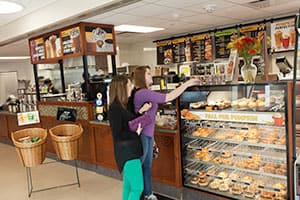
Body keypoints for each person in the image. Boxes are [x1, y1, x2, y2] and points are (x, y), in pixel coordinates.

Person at [133, 66, 200, 200]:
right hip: (141, 136)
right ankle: (136, 195)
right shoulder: (142, 93)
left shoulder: (145, 92)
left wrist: (152, 138)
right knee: (139, 168)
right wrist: (187, 84)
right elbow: (168, 97)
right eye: (148, 73)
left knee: (146, 167)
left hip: (147, 135)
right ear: (141, 77)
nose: (151, 75)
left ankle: (148, 194)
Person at [108, 75, 151, 200]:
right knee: (137, 187)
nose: (131, 87)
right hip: (127, 153)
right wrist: (136, 133)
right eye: (129, 85)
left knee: (128, 186)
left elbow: (128, 123)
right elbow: (117, 134)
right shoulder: (115, 108)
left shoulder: (122, 106)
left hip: (129, 152)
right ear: (122, 88)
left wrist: (140, 114)